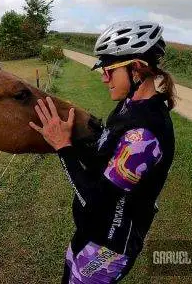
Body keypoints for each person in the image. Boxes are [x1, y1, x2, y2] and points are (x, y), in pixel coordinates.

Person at [29, 21, 176, 283]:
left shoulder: (144, 136)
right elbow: (103, 158)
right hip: (91, 232)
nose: (103, 77)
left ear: (137, 69)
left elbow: (96, 203)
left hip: (107, 249)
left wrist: (63, 147)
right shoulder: (129, 107)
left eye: (109, 70)